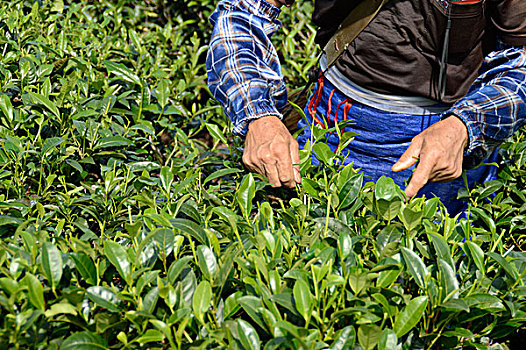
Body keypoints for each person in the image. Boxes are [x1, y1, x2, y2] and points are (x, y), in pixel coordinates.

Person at [206, 0, 526, 214]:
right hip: (333, 125)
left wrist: (466, 127)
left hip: (452, 144)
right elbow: (243, 11)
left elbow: (521, 60)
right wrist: (258, 116)